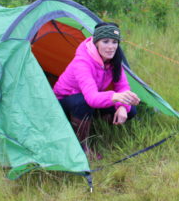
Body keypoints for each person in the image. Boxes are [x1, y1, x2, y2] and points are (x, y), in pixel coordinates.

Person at [53, 22, 140, 157]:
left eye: (114, 42)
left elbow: (122, 87)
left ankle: (97, 127)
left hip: (91, 98)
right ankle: (83, 148)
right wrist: (115, 96)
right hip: (64, 102)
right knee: (83, 103)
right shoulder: (82, 62)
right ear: (96, 43)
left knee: (131, 110)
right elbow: (92, 98)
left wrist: (123, 105)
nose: (111, 47)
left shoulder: (114, 60)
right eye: (105, 42)